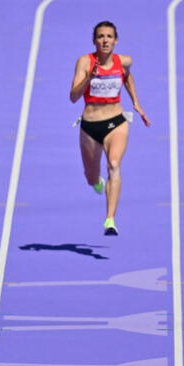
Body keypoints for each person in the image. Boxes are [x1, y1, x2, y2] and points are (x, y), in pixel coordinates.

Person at [70, 21, 150, 235]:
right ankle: (96, 182)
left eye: (109, 36)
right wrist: (89, 77)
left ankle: (110, 219)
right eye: (101, 36)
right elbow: (73, 97)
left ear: (116, 40)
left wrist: (136, 102)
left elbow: (128, 77)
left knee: (114, 164)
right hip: (90, 126)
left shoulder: (124, 61)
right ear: (94, 40)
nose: (105, 40)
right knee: (91, 176)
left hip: (116, 122)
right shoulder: (84, 62)